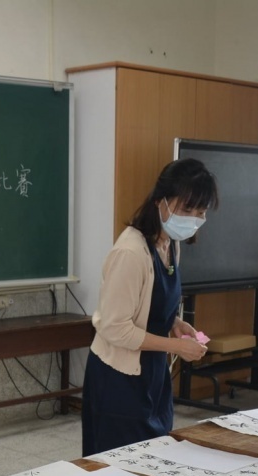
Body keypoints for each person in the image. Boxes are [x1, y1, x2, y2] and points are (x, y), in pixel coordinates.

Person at [81, 158, 219, 457]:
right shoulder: (131, 252)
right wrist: (175, 346)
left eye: (201, 212)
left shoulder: (170, 244)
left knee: (155, 457)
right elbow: (115, 328)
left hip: (152, 374)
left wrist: (176, 324)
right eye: (186, 209)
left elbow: (154, 305)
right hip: (118, 378)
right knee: (119, 467)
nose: (194, 219)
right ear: (161, 201)